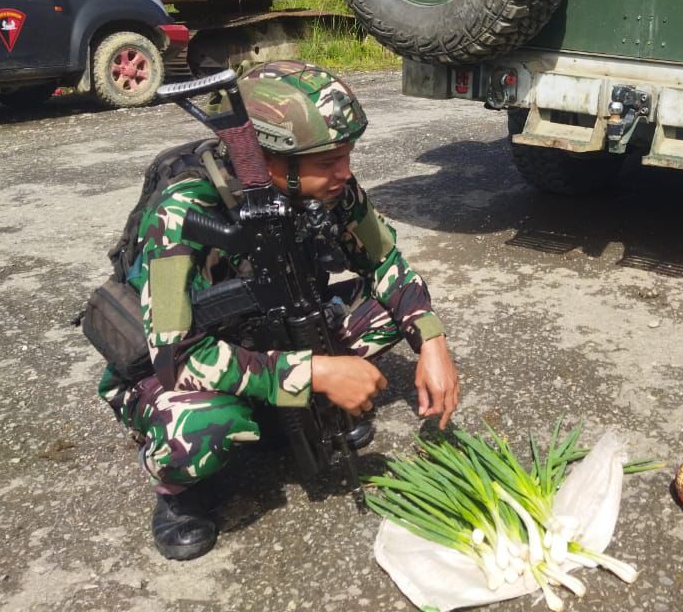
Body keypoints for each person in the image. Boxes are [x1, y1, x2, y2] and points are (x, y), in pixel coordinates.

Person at [97, 61, 460, 561]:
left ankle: (282, 410)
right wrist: (316, 373)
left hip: (268, 337)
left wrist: (432, 342)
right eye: (329, 159)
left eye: (348, 153)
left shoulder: (329, 191)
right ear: (270, 159)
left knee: (385, 311)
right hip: (177, 364)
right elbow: (176, 357)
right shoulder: (184, 213)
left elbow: (386, 263)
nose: (345, 172)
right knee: (205, 429)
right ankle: (176, 494)